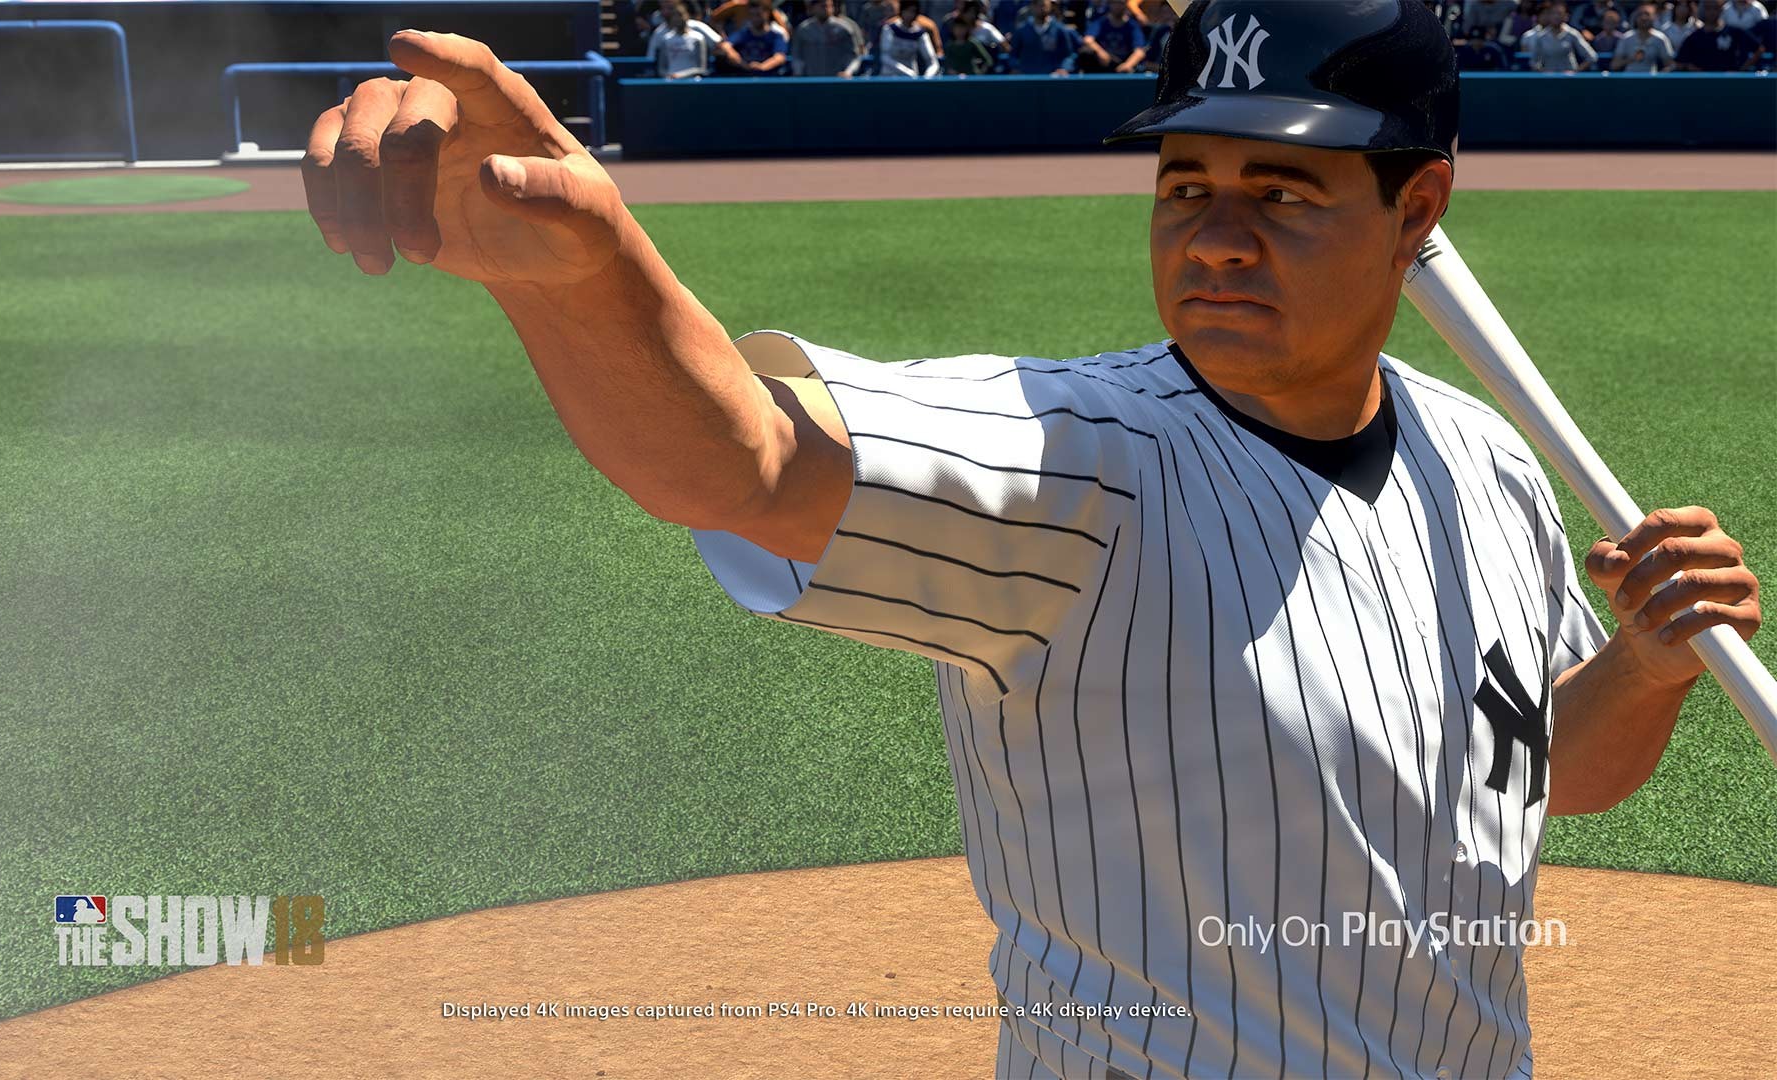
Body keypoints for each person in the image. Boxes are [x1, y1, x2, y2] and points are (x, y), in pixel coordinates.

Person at [301, 5, 1763, 1075]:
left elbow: (1546, 779)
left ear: (1416, 210)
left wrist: (1643, 666)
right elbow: (748, 462)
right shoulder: (1080, 463)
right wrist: (584, 277)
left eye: (1282, 192)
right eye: (1186, 186)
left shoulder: (1485, 466)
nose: (1216, 235)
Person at [647, 0, 723, 78]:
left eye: (680, 15)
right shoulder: (664, 38)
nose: (678, 19)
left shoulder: (698, 37)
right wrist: (670, 77)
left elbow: (702, 68)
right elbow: (658, 65)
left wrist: (681, 75)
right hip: (671, 82)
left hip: (693, 81)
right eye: (675, 15)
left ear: (687, 15)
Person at [791, 0, 868, 75]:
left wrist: (848, 71)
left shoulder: (844, 28)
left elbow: (855, 56)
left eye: (830, 6)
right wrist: (798, 72)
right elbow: (797, 56)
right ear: (813, 8)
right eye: (823, 6)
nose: (827, 9)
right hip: (811, 79)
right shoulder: (803, 29)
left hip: (837, 79)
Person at [1675, 0, 1760, 65]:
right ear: (1702, 10)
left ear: (1721, 9)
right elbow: (1680, 62)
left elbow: (1759, 49)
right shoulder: (1693, 38)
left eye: (1715, 8)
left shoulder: (1735, 33)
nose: (1712, 12)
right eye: (1708, 8)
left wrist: (1741, 70)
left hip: (1730, 82)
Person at [1009, 0, 1083, 75]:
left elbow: (1069, 55)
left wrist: (1064, 68)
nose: (1041, 8)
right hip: (1028, 76)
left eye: (1044, 5)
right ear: (1032, 6)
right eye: (1037, 5)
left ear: (1050, 6)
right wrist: (1016, 68)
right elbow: (1013, 55)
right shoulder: (1022, 30)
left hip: (1052, 77)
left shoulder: (1060, 30)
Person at [1521, 0, 1600, 68]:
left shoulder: (1573, 34)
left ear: (1566, 16)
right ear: (1549, 16)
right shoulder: (1541, 36)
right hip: (1549, 78)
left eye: (1559, 13)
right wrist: (1543, 72)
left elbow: (1592, 56)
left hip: (1569, 78)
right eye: (1553, 13)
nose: (1556, 16)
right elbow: (1533, 62)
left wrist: (1576, 71)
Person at [725, 0, 793, 74]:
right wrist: (743, 64)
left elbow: (780, 57)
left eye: (758, 14)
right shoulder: (743, 33)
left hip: (769, 77)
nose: (755, 19)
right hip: (745, 76)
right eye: (752, 15)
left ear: (767, 13)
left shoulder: (777, 34)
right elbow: (726, 46)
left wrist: (762, 67)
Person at [1078, 0, 1146, 72]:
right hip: (1103, 64)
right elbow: (1088, 39)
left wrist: (1128, 65)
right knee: (1085, 52)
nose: (1117, 6)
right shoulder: (1101, 22)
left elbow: (1139, 51)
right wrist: (1100, 52)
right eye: (1114, 3)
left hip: (1122, 65)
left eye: (1120, 3)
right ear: (1109, 4)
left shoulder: (1133, 26)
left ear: (1126, 5)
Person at [878, 0, 943, 75]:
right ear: (901, 11)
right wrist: (906, 71)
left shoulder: (920, 33)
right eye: (906, 11)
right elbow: (885, 57)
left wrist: (927, 77)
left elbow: (932, 61)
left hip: (911, 77)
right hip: (889, 75)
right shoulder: (889, 29)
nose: (909, 14)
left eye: (913, 11)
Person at [1612, 2, 1679, 70]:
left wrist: (1661, 74)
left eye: (1647, 14)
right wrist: (1632, 59)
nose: (1643, 18)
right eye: (1640, 14)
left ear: (1654, 17)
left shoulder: (1661, 38)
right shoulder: (1626, 37)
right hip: (1630, 76)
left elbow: (1670, 64)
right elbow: (1614, 65)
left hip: (1651, 76)